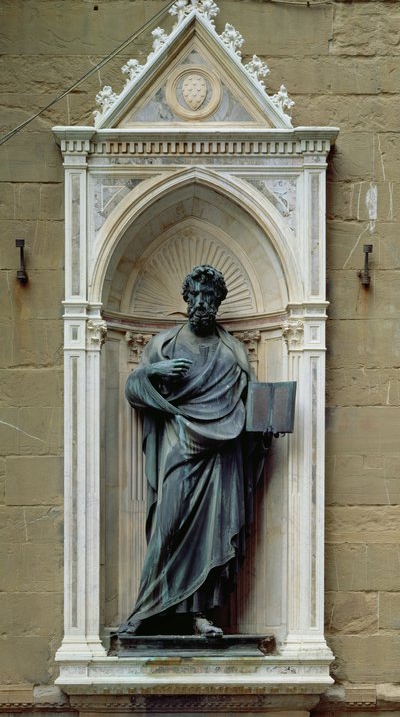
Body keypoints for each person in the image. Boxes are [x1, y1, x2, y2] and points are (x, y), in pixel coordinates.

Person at [118, 265, 262, 637]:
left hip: (221, 454)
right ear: (186, 299)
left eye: (208, 297)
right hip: (179, 446)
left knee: (213, 533)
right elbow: (134, 389)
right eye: (196, 296)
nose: (201, 303)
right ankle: (147, 608)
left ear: (218, 302)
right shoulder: (163, 345)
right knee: (167, 527)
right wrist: (154, 372)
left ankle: (200, 614)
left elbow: (251, 406)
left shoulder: (232, 352)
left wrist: (265, 428)